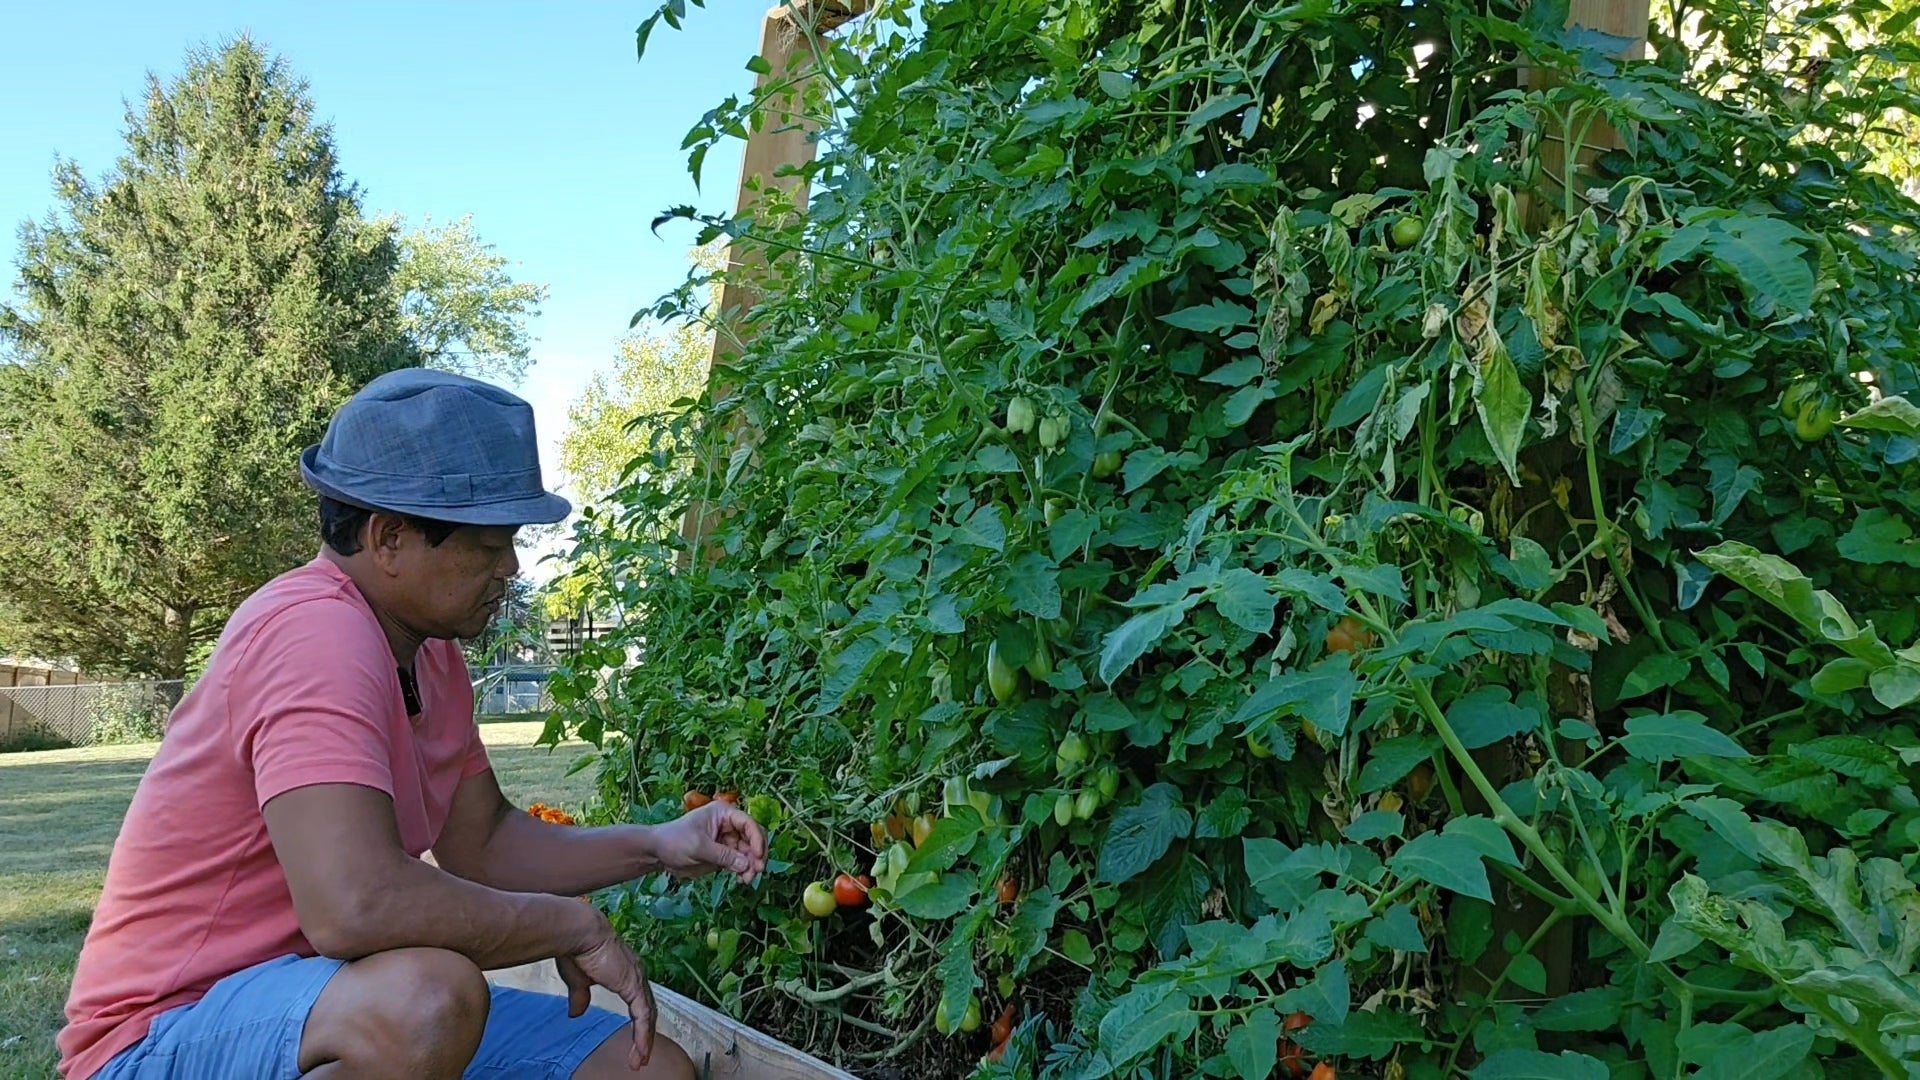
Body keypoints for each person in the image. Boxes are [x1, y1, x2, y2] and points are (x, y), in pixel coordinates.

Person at [59, 369, 766, 1080]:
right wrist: (569, 923)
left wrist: (657, 843)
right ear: (389, 537)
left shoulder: (428, 653)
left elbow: (484, 844)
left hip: (323, 1010)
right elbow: (354, 906)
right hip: (162, 1036)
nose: (512, 568)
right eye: (488, 546)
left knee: (647, 1072)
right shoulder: (315, 634)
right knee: (428, 1001)